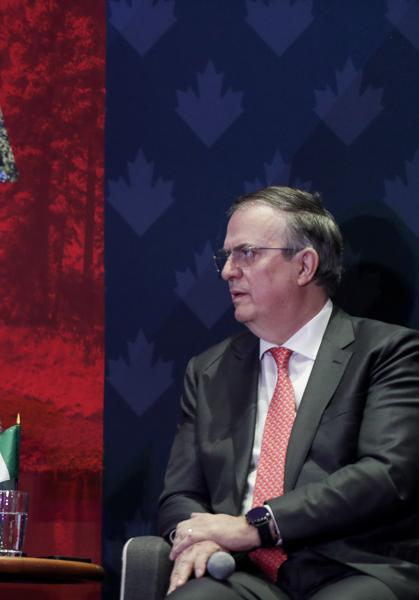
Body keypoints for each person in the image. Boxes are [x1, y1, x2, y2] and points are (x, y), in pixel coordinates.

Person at [159, 187, 419, 599]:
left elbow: (387, 473)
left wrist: (256, 526)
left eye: (246, 253)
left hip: (351, 567)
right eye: (226, 257)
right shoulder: (208, 370)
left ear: (304, 266)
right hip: (242, 574)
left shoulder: (388, 352)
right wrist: (195, 534)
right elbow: (180, 494)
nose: (228, 271)